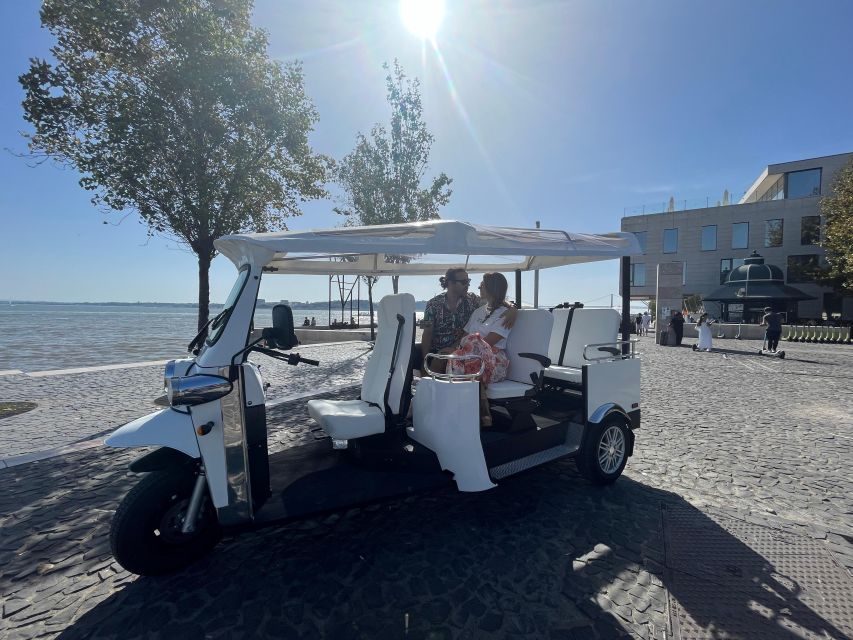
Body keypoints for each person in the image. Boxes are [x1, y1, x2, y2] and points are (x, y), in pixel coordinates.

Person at [419, 267, 516, 375]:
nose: (468, 285)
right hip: (441, 350)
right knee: (436, 360)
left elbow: (497, 300)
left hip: (463, 351)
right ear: (451, 283)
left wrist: (513, 309)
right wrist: (425, 360)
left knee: (445, 362)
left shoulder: (472, 300)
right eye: (464, 282)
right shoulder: (432, 304)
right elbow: (426, 333)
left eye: (468, 281)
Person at [447, 273, 513, 427]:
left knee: (472, 342)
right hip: (473, 361)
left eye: (482, 285)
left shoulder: (506, 314)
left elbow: (488, 343)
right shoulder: (479, 311)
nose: (478, 287)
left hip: (495, 362)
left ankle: (467, 412)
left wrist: (464, 347)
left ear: (491, 288)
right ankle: (477, 408)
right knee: (456, 355)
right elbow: (464, 337)